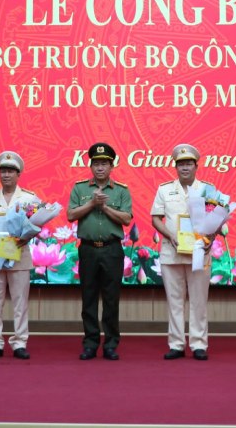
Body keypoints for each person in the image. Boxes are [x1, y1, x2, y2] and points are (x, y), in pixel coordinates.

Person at [67, 142, 132, 361]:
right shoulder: (80, 188)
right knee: (89, 298)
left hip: (112, 250)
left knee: (112, 300)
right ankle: (90, 343)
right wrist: (92, 204)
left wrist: (105, 208)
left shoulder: (121, 190)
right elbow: (71, 215)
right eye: (96, 163)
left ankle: (111, 344)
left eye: (104, 163)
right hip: (88, 250)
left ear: (111, 166)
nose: (100, 168)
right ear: (91, 165)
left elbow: (126, 218)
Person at [150, 144, 212, 361]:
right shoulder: (165, 189)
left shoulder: (207, 189)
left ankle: (198, 344)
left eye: (188, 164)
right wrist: (170, 236)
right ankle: (176, 344)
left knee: (198, 301)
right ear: (176, 167)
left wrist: (209, 240)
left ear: (196, 166)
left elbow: (217, 219)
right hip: (172, 252)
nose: (185, 168)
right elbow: (156, 218)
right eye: (181, 164)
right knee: (174, 301)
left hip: (199, 253)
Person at [0, 151, 40, 360]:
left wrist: (24, 238)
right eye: (3, 171)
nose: (6, 175)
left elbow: (36, 226)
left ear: (18, 174)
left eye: (10, 171)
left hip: (19, 257)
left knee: (20, 302)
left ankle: (20, 342)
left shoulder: (30, 198)